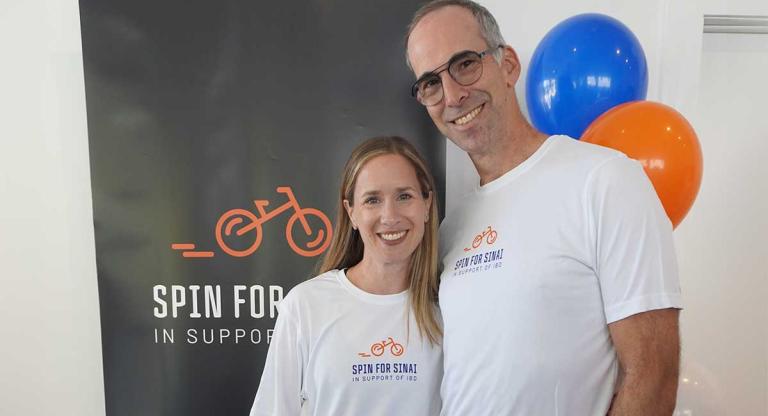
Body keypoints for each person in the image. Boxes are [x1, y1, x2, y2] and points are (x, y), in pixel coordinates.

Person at [405, 1, 681, 415]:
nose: (453, 95)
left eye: (464, 64)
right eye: (430, 83)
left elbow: (653, 376)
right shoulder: (451, 227)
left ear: (509, 65)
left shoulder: (604, 180)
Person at [249, 136, 442, 416]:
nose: (389, 216)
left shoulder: (448, 307)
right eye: (372, 200)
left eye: (404, 196)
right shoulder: (306, 305)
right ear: (351, 213)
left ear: (426, 204)